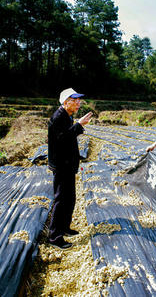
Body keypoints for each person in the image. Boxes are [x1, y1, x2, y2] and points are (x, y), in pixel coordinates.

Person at [47, 88, 93, 249]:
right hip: (61, 166)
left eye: (79, 100)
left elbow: (67, 136)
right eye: (75, 100)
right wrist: (79, 125)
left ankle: (64, 227)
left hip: (67, 164)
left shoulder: (66, 116)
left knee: (70, 198)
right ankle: (54, 237)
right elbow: (63, 139)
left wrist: (78, 124)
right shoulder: (58, 117)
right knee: (61, 199)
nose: (79, 103)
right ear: (66, 102)